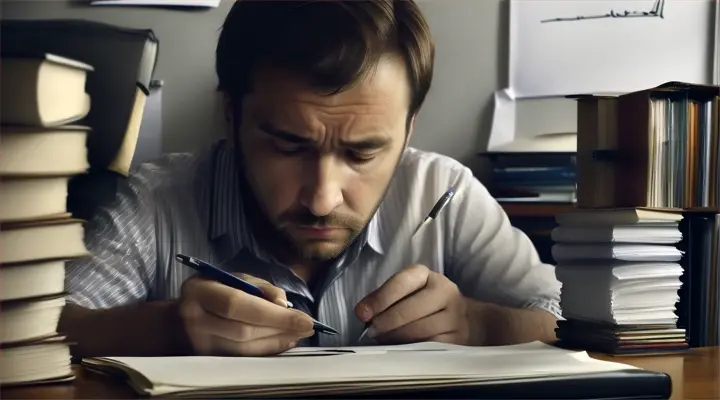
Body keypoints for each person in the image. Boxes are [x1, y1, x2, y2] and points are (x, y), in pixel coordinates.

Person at [60, 0, 562, 358]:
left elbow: (571, 321)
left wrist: (477, 322)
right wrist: (167, 329)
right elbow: (43, 331)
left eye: (363, 152)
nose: (323, 199)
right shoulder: (157, 200)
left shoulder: (444, 194)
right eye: (287, 146)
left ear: (408, 128)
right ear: (230, 119)